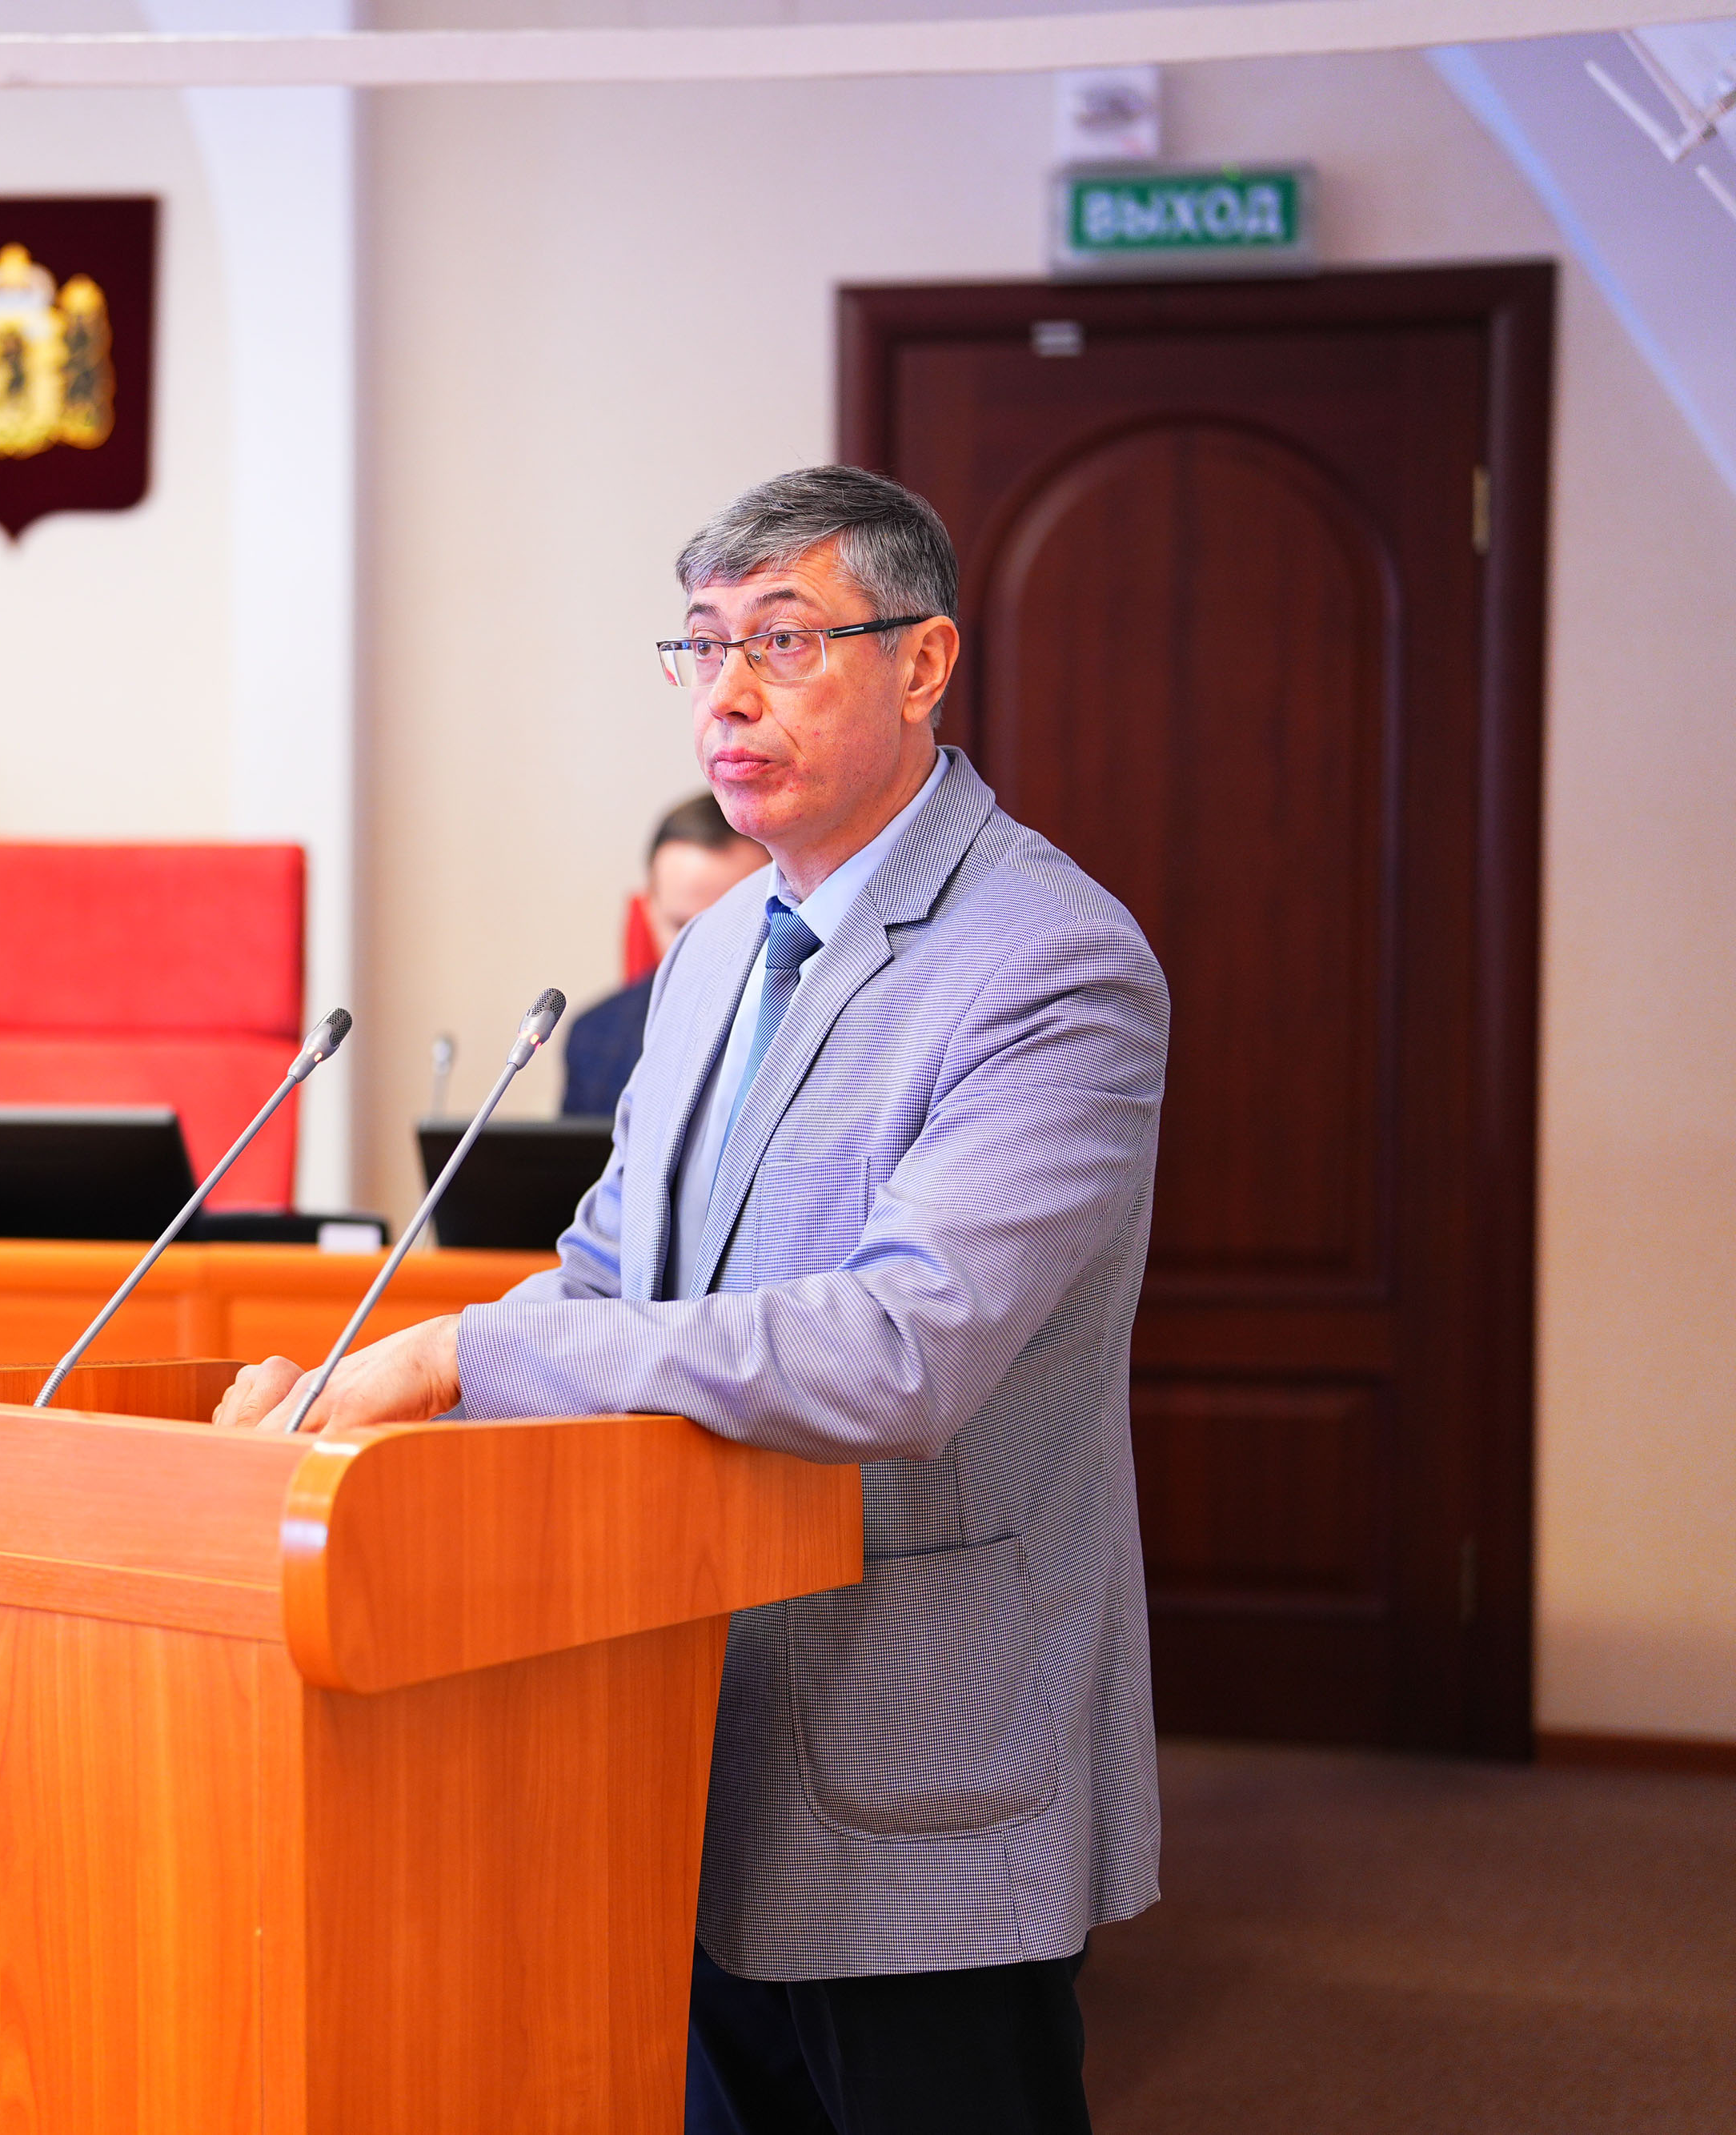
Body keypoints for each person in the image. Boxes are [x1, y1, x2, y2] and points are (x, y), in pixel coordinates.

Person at [217, 467, 1165, 2133]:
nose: (724, 693)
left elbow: (900, 1350)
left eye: (781, 641)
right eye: (701, 643)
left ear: (923, 661)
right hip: (667, 1710)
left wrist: (460, 1356)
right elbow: (609, 1273)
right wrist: (361, 1392)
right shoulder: (719, 949)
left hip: (913, 1741)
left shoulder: (1049, 959)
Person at [560, 795, 768, 1117]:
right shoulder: (595, 1036)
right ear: (648, 910)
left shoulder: (829, 1030)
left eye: (732, 923)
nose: (705, 946)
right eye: (681, 925)